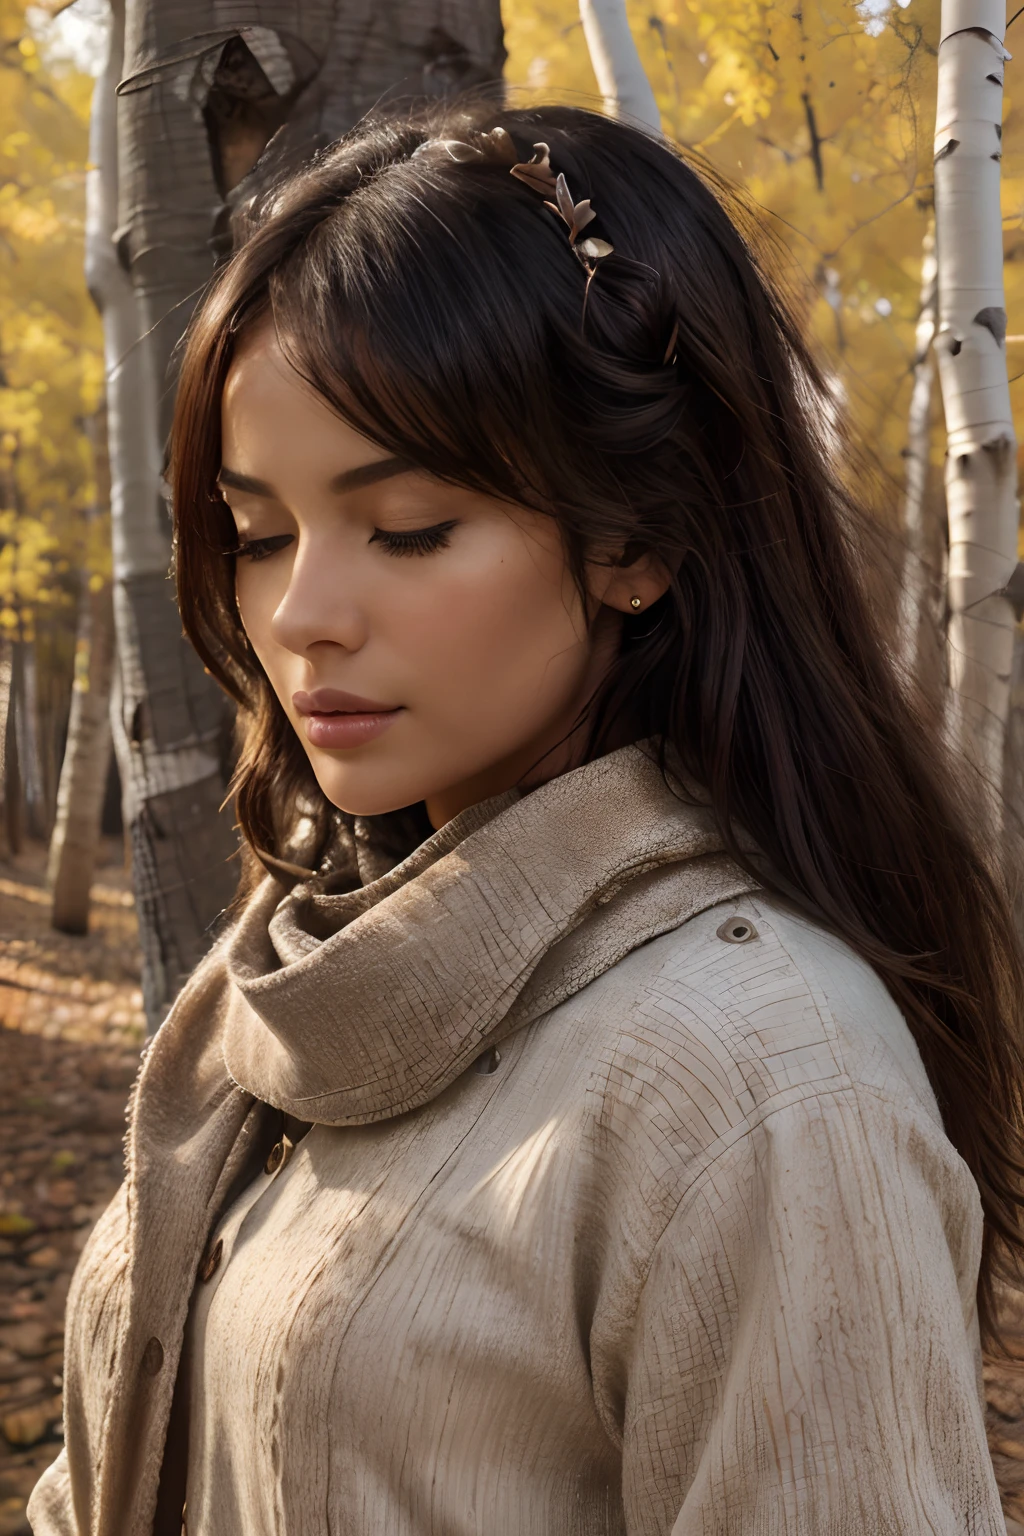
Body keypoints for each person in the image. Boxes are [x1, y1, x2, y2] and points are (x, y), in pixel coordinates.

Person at [29, 102, 1024, 1536]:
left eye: (409, 527)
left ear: (638, 538)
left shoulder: (756, 1079)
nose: (300, 616)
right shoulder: (297, 979)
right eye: (257, 535)